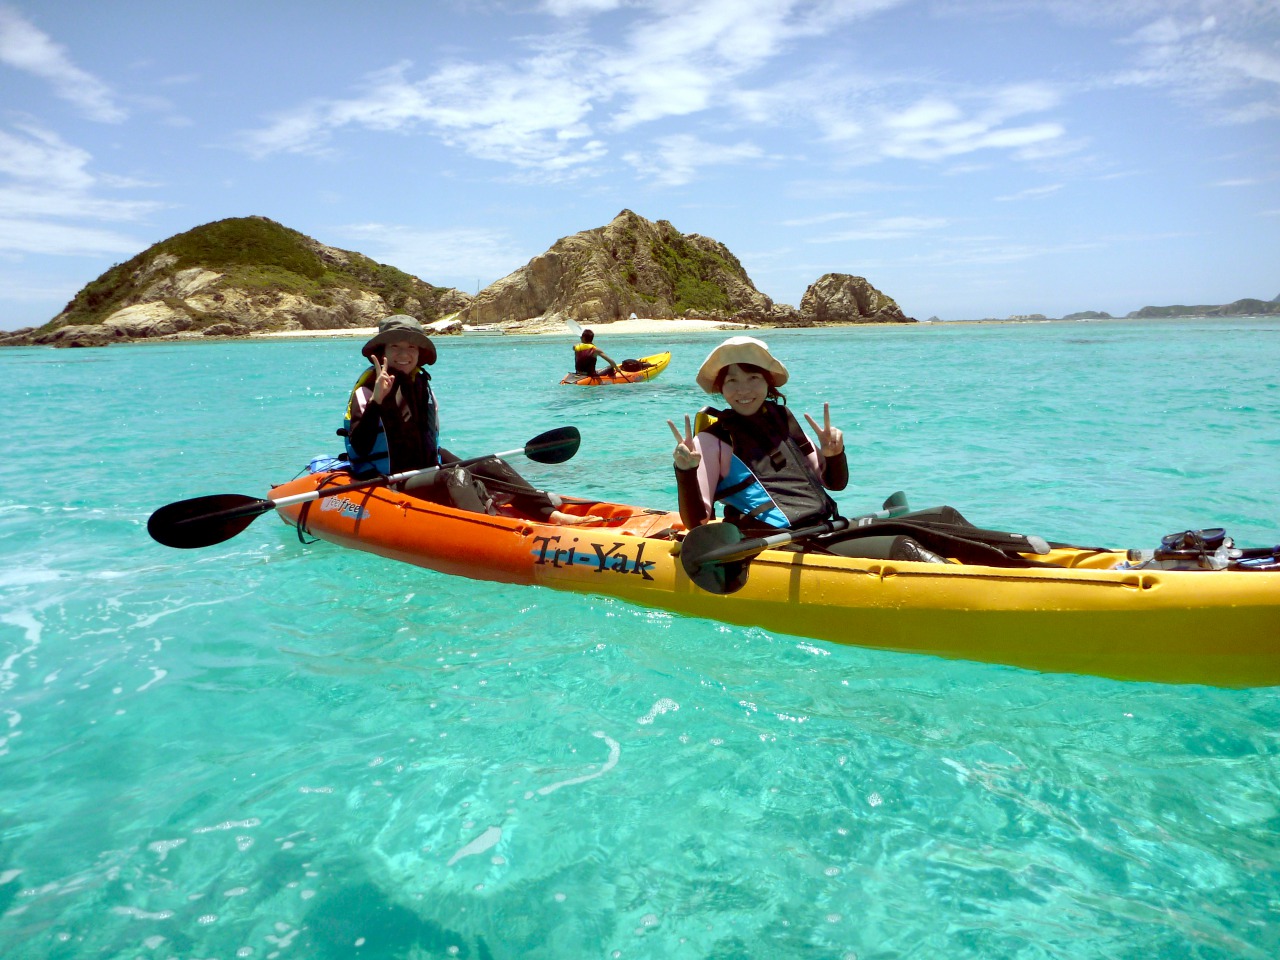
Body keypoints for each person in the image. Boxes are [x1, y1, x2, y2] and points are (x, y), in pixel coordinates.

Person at [667, 336, 944, 562]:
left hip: (824, 529)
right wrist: (685, 470)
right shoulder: (712, 440)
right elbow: (697, 521)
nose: (743, 390)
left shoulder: (783, 420)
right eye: (732, 381)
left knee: (943, 518)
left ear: (767, 382)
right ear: (721, 388)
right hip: (776, 544)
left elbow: (834, 484)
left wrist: (835, 455)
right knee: (904, 548)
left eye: (753, 378)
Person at [344, 315, 595, 524]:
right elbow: (360, 445)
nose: (404, 354)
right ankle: (492, 528)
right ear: (382, 351)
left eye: (411, 347)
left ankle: (550, 515)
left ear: (419, 352)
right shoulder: (367, 391)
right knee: (458, 476)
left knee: (490, 463)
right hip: (392, 481)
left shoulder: (420, 384)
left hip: (427, 467)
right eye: (395, 347)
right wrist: (377, 400)